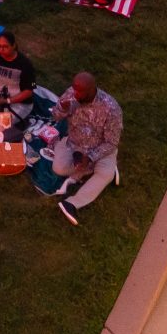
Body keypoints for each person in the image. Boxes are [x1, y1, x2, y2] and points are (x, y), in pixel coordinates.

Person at [46, 71, 122, 224]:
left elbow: (111, 142)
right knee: (59, 169)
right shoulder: (71, 94)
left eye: (79, 91)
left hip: (99, 149)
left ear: (92, 90)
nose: (75, 94)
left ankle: (72, 204)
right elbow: (55, 116)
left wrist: (91, 157)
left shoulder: (111, 109)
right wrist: (62, 108)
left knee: (104, 175)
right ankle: (91, 168)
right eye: (74, 88)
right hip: (74, 145)